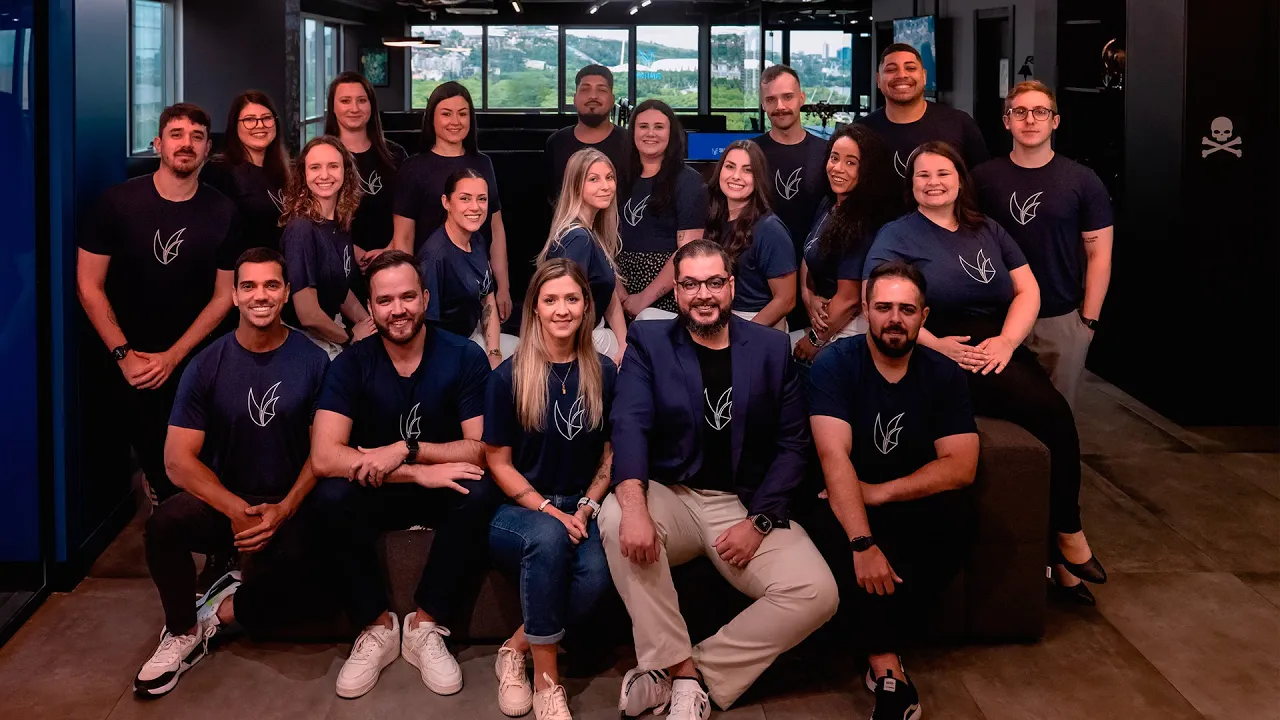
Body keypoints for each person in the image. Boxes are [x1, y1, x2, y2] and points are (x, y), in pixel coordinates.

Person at [601, 240, 838, 719]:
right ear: (677, 292)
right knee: (614, 519)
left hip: (742, 503)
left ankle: (691, 674)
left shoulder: (771, 348)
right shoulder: (650, 342)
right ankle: (682, 672)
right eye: (690, 284)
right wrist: (635, 507)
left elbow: (794, 445)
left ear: (731, 287)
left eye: (713, 282)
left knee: (817, 592)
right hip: (673, 495)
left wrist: (760, 521)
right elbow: (629, 424)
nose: (702, 294)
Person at [864, 141, 1106, 605]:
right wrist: (936, 345)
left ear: (960, 180)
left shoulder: (988, 228)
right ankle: (1065, 545)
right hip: (934, 349)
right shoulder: (898, 234)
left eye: (943, 173)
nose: (933, 182)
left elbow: (1027, 290)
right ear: (911, 184)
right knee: (1046, 413)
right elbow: (876, 301)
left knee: (1055, 415)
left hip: (997, 346)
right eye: (923, 175)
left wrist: (1007, 342)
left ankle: (1065, 536)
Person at [133, 248, 330, 698]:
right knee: (164, 525)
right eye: (249, 286)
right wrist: (235, 509)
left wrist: (284, 509)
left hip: (288, 505)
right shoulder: (208, 363)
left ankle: (220, 613)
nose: (260, 295)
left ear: (286, 293)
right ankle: (183, 630)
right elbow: (177, 460)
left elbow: (322, 452)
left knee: (315, 582)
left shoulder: (314, 361)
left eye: (271, 285)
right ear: (235, 296)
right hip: (226, 503)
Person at [308, 250, 502, 699]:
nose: (398, 309)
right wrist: (414, 474)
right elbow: (324, 457)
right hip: (381, 488)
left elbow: (481, 448)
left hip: (442, 486)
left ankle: (425, 625)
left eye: (408, 297)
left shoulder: (463, 356)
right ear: (370, 308)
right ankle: (377, 626)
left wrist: (406, 449)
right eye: (385, 300)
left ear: (426, 299)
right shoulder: (350, 364)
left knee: (481, 490)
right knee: (329, 497)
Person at [805, 261, 980, 720]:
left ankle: (876, 650)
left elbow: (961, 465)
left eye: (906, 309)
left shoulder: (943, 373)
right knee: (825, 520)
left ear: (924, 316)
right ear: (866, 310)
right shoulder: (835, 364)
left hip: (902, 496)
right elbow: (833, 457)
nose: (894, 319)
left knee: (960, 513)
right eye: (883, 308)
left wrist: (879, 493)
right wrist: (862, 542)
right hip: (841, 498)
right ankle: (887, 667)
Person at [77, 102, 240, 504]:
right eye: (176, 134)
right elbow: (88, 285)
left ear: (208, 149)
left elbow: (225, 295)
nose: (187, 144)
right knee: (158, 471)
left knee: (205, 465)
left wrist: (174, 356)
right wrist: (124, 356)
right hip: (128, 359)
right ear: (157, 143)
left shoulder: (223, 211)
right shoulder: (116, 203)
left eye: (197, 137)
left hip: (195, 358)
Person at [485, 260, 618, 720]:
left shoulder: (604, 371)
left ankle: (515, 646)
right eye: (551, 300)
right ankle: (547, 684)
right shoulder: (507, 377)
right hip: (518, 511)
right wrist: (549, 511)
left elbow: (610, 454)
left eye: (572, 299)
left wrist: (586, 506)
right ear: (535, 309)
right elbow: (498, 464)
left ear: (586, 306)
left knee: (596, 578)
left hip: (581, 506)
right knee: (547, 538)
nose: (562, 309)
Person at [971, 81, 1114, 410]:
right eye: (1020, 112)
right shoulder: (982, 178)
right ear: (1007, 121)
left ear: (1055, 121)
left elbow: (1099, 255)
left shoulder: (1082, 180)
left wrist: (1087, 323)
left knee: (1058, 417)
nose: (1030, 119)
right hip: (994, 317)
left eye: (1040, 112)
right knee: (1000, 419)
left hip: (1059, 320)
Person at [385, 82, 513, 322]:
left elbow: (495, 228)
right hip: (433, 287)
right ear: (431, 119)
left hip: (476, 285)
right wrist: (409, 292)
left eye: (462, 114)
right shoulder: (413, 168)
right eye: (446, 114)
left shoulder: (483, 163)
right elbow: (403, 239)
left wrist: (503, 287)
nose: (455, 121)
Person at [791, 124, 900, 362]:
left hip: (849, 325)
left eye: (851, 162)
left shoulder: (864, 222)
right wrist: (808, 296)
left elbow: (849, 300)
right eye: (834, 158)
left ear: (867, 169)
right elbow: (810, 251)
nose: (838, 168)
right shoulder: (829, 203)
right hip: (825, 318)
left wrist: (814, 340)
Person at [278, 135, 376, 357]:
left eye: (333, 166)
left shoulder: (340, 223)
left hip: (332, 331)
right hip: (304, 342)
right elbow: (308, 314)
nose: (324, 175)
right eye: (315, 167)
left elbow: (338, 289)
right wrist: (350, 336)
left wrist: (370, 324)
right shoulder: (301, 229)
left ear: (345, 172)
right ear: (303, 174)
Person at [617, 100, 708, 320]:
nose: (650, 133)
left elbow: (687, 251)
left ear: (671, 133)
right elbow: (602, 239)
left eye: (659, 127)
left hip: (666, 294)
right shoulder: (617, 177)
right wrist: (619, 294)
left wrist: (643, 299)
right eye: (643, 126)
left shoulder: (689, 181)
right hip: (616, 291)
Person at [418, 168, 519, 367]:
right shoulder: (435, 257)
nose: (475, 207)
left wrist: (494, 354)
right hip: (447, 352)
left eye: (482, 199)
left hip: (473, 336)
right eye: (465, 199)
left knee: (527, 353)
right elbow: (427, 331)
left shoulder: (477, 240)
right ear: (446, 202)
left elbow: (487, 299)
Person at [539, 148, 628, 361]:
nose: (605, 186)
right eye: (594, 179)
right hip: (581, 344)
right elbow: (564, 307)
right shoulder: (578, 239)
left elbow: (609, 296)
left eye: (609, 177)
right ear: (576, 186)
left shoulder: (591, 233)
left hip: (595, 335)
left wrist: (624, 344)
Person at [702, 140, 796, 330]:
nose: (736, 176)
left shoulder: (770, 229)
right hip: (720, 319)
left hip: (757, 324)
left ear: (758, 178)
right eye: (730, 167)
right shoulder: (716, 219)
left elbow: (786, 300)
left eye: (747, 170)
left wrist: (745, 335)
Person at [859, 44, 988, 182]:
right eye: (891, 69)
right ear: (878, 80)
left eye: (910, 68)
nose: (901, 75)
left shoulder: (959, 123)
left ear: (924, 76)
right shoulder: (861, 132)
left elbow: (982, 182)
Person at [324, 71, 410, 274]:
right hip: (337, 262)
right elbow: (313, 214)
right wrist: (349, 249)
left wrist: (390, 250)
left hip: (392, 262)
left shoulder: (396, 155)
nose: (354, 108)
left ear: (371, 106)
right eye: (345, 101)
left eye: (362, 100)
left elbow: (408, 211)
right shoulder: (321, 156)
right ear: (333, 107)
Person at [753, 65, 831, 256]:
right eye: (771, 99)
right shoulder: (751, 153)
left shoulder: (827, 152)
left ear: (801, 98)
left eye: (788, 97)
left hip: (816, 260)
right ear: (763, 104)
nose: (780, 106)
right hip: (760, 260)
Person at [204, 91, 290, 252]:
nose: (260, 125)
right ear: (234, 125)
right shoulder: (219, 171)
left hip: (282, 263)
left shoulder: (285, 170)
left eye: (266, 118)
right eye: (249, 119)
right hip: (242, 265)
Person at [546, 65, 626, 202]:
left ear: (612, 100)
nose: (593, 96)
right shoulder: (557, 142)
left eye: (601, 90)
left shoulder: (629, 142)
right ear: (575, 99)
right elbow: (550, 197)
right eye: (585, 89)